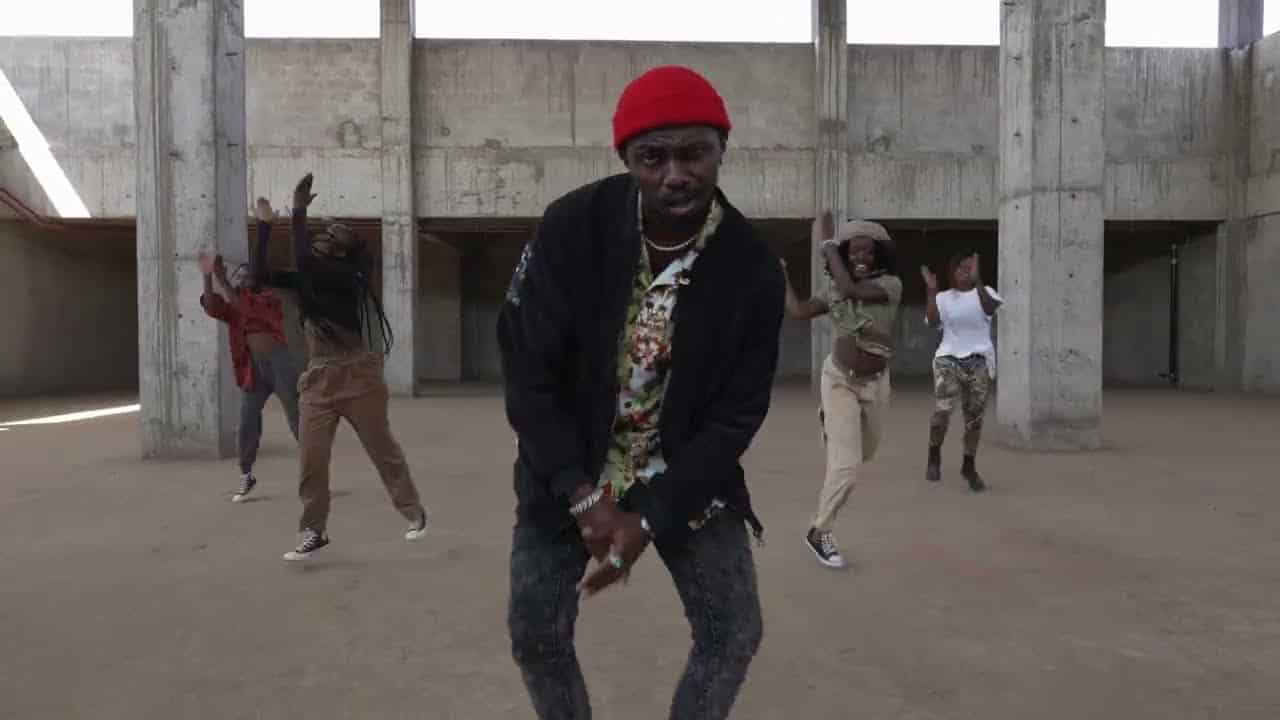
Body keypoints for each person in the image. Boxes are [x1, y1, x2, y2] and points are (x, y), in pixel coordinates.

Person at [499, 65, 784, 720]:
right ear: (627, 158)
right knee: (535, 633)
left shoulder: (752, 267)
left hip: (683, 474)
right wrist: (581, 493)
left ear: (721, 149)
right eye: (653, 157)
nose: (674, 175)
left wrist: (651, 516)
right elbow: (526, 369)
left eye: (693, 153)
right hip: (569, 466)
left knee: (733, 631)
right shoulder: (571, 227)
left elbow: (738, 412)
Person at [265, 175, 427, 561]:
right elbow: (258, 274)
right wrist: (266, 228)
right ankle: (313, 530)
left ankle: (414, 511)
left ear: (342, 251)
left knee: (382, 449)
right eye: (323, 233)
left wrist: (298, 210)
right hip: (319, 380)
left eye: (333, 234)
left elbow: (307, 260)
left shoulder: (346, 279)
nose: (326, 234)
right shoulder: (309, 280)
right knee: (311, 460)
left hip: (358, 377)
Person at [780, 214, 901, 570]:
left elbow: (852, 291)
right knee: (847, 467)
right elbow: (799, 311)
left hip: (875, 384)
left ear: (879, 256)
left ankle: (833, 427)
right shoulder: (835, 291)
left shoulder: (890, 285)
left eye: (868, 251)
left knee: (866, 452)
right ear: (845, 256)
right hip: (839, 381)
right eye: (854, 252)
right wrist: (782, 276)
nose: (861, 257)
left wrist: (828, 246)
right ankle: (819, 531)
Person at [197, 200, 300, 502]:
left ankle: (315, 470)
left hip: (279, 363)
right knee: (247, 422)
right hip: (251, 368)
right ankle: (246, 474)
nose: (243, 278)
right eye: (239, 276)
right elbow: (212, 305)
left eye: (247, 274)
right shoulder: (233, 304)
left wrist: (222, 278)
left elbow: (246, 308)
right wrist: (207, 276)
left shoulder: (268, 298)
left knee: (297, 417)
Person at [922, 251, 1002, 492]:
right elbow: (933, 322)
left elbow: (989, 308)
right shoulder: (944, 298)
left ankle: (969, 465)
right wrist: (931, 291)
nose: (965, 272)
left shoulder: (986, 293)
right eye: (961, 268)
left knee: (974, 418)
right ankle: (934, 454)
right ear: (953, 271)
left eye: (970, 268)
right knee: (943, 409)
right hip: (948, 358)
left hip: (979, 361)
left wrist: (978, 282)